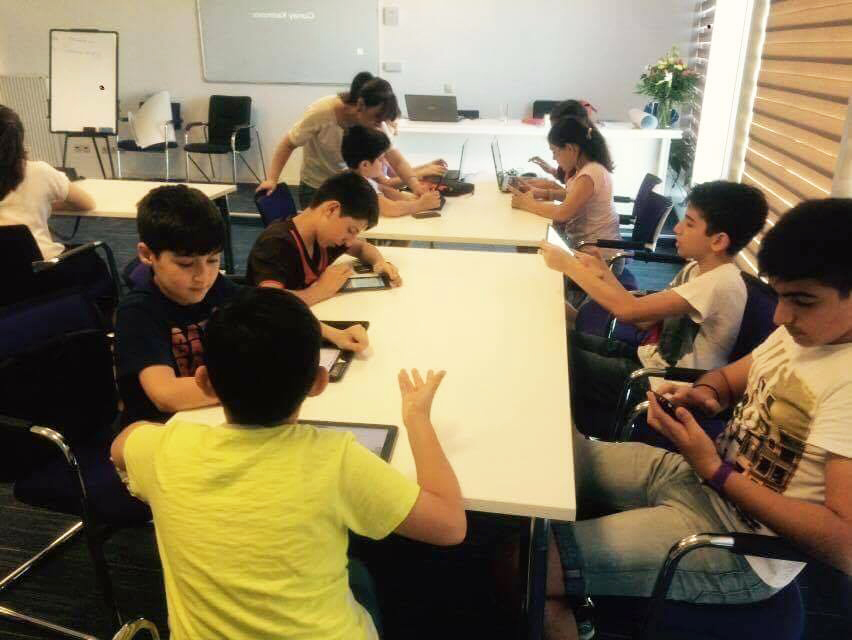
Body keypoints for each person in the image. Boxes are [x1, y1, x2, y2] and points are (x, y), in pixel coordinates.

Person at [539, 198, 852, 640]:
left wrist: (715, 470)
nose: (781, 316)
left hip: (737, 545)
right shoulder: (802, 334)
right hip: (699, 477)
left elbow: (844, 545)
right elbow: (726, 379)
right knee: (545, 458)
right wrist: (704, 394)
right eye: (780, 295)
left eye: (802, 301)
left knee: (528, 565)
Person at [110, 286, 467, 640]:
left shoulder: (163, 450)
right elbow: (450, 525)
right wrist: (417, 418)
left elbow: (121, 444)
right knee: (362, 576)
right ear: (319, 383)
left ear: (203, 382)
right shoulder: (335, 459)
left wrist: (161, 435)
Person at [540, 181, 768, 436]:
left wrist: (569, 266)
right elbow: (644, 319)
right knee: (558, 341)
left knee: (555, 360)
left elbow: (628, 312)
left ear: (718, 241)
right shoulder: (697, 269)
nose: (677, 228)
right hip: (647, 361)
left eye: (689, 224)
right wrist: (604, 272)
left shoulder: (720, 282)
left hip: (661, 385)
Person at [113, 184, 239, 426]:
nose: (203, 277)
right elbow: (166, 394)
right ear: (147, 255)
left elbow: (270, 315)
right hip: (158, 430)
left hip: (210, 418)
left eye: (213, 260)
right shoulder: (137, 312)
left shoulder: (218, 288)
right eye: (185, 264)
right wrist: (258, 384)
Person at [257, 71, 427, 205]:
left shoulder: (375, 122)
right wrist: (272, 179)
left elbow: (396, 160)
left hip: (351, 186)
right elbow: (288, 144)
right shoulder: (321, 112)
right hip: (318, 188)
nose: (379, 125)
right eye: (376, 118)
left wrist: (415, 186)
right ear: (360, 105)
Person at [0, 104, 111, 307]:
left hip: (5, 285)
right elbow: (86, 203)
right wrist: (45, 202)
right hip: (40, 274)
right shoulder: (38, 172)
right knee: (94, 261)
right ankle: (102, 317)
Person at [247, 171, 401, 312]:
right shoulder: (275, 244)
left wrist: (379, 262)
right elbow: (269, 303)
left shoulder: (324, 238)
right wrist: (319, 291)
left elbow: (362, 248)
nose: (349, 242)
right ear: (331, 209)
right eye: (351, 230)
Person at [510, 117, 621, 265]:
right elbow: (571, 196)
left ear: (570, 148)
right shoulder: (586, 169)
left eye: (555, 152)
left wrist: (527, 204)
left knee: (531, 251)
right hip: (586, 248)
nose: (554, 158)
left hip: (600, 259)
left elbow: (562, 213)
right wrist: (540, 193)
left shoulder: (590, 174)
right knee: (531, 244)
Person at [341, 125, 441, 217]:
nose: (383, 163)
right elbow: (391, 209)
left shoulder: (357, 176)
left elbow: (384, 189)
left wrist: (410, 199)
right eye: (380, 159)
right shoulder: (357, 184)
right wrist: (421, 204)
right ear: (365, 165)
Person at [526, 99, 597, 187]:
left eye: (557, 129)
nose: (555, 134)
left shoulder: (588, 170)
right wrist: (551, 170)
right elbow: (569, 185)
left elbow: (573, 192)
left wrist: (550, 187)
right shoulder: (578, 155)